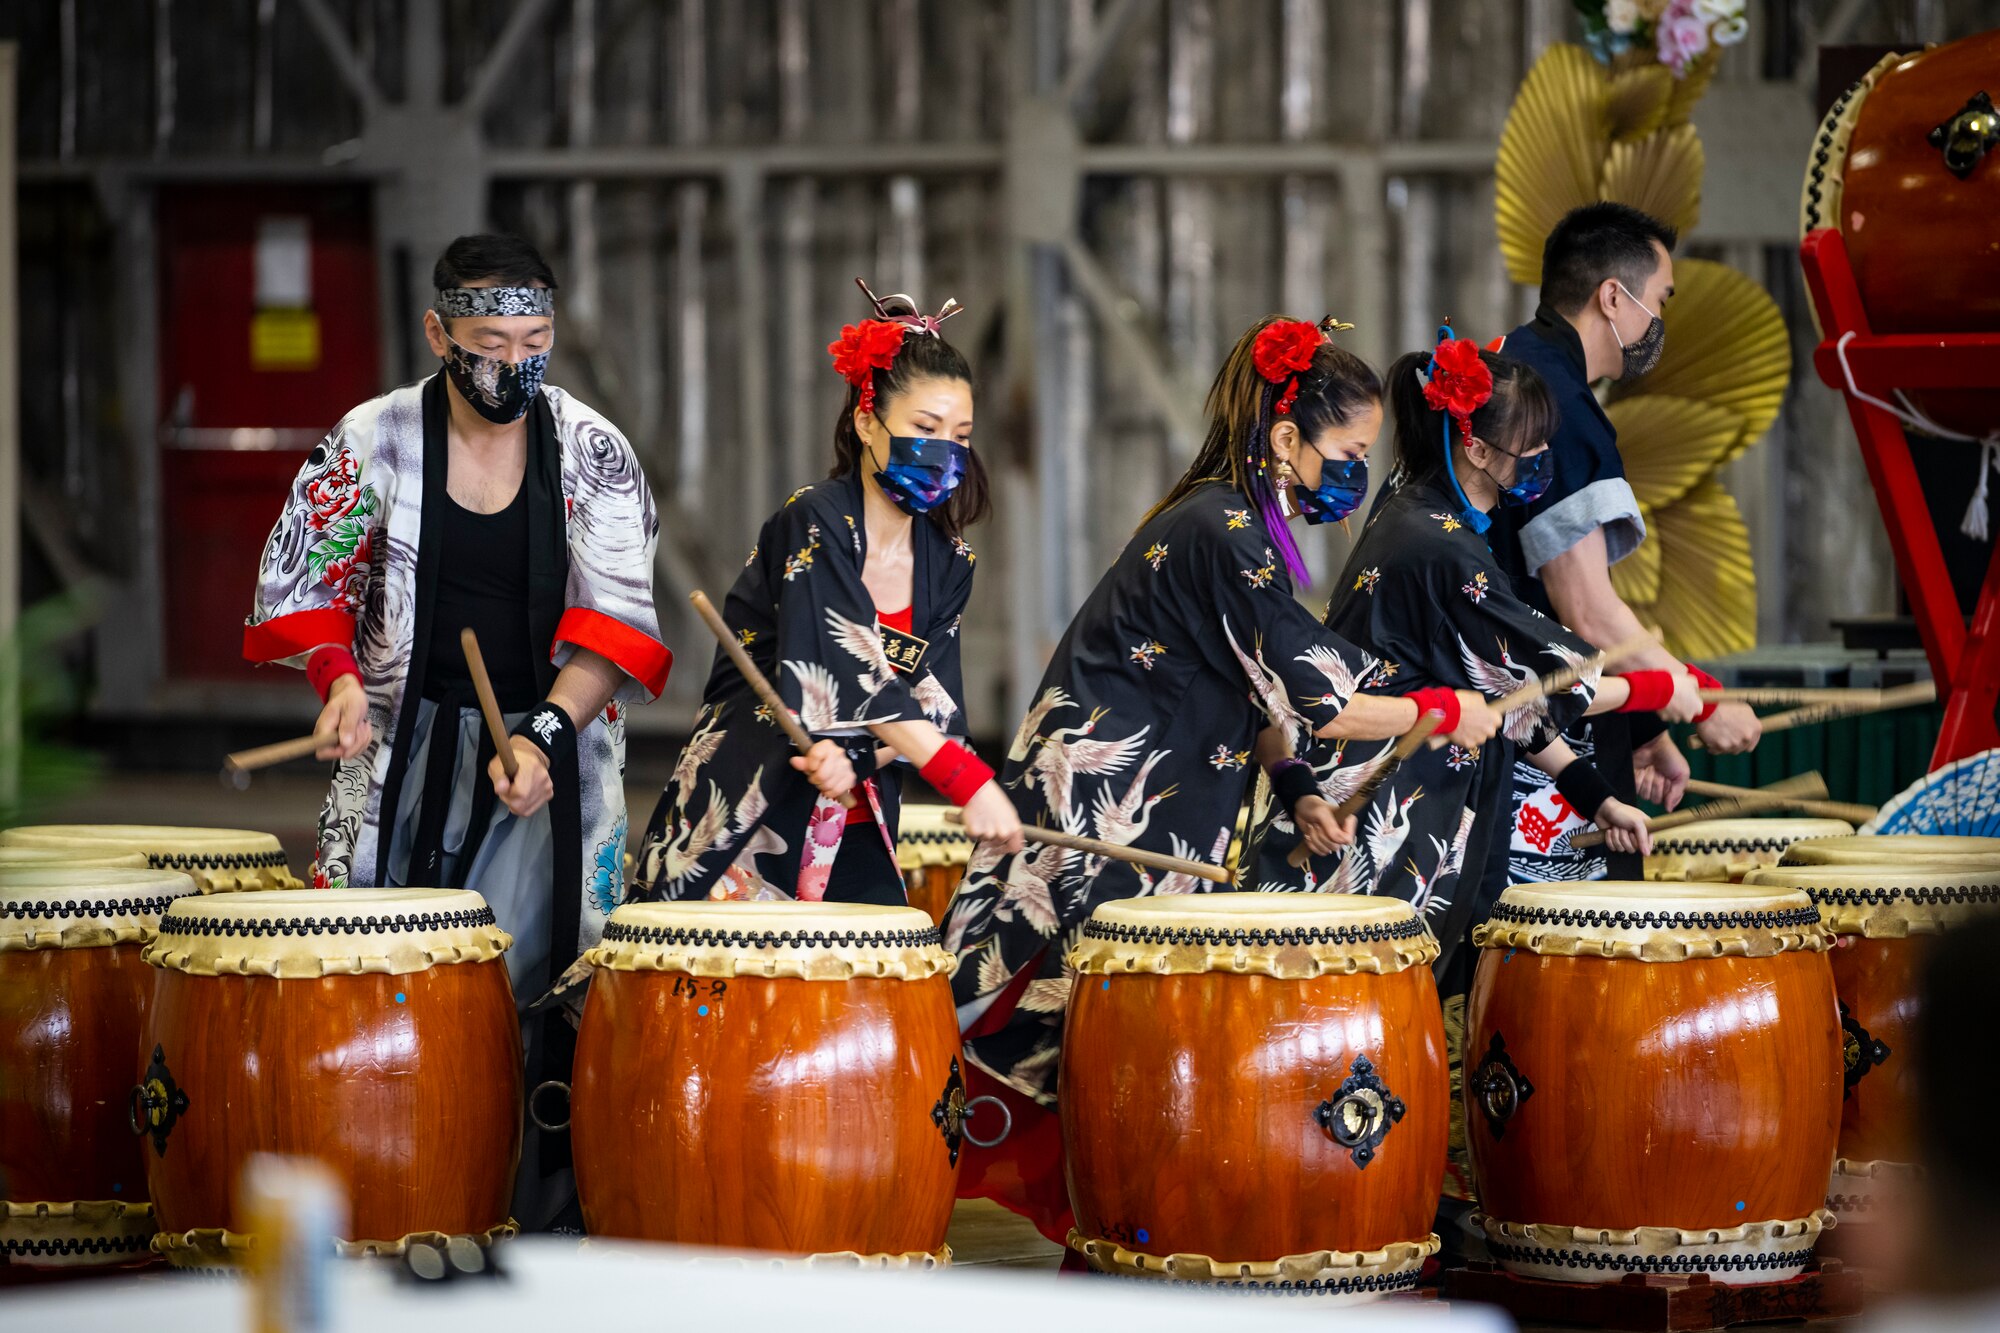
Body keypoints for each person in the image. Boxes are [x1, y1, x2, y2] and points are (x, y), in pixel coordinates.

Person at [943, 315, 1504, 1245]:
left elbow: (1262, 691)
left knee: (1108, 1016)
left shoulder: (1249, 525)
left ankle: (1110, 1218)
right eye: (1349, 450)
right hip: (1102, 796)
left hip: (1163, 799)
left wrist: (1296, 789)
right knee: (1020, 993)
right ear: (1287, 438)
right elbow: (1319, 692)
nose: (1357, 469)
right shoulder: (1223, 526)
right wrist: (1442, 710)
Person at [243, 233, 668, 1229]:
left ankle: (541, 1222)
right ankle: (388, 1199)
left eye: (534, 339)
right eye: (488, 339)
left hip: (546, 741)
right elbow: (311, 575)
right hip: (400, 735)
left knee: (540, 977)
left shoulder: (592, 448)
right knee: (373, 972)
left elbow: (614, 619)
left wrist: (546, 737)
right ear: (438, 332)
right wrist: (339, 680)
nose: (513, 361)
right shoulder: (372, 437)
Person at [1244, 331, 1692, 1224]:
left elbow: (1510, 707)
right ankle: (1347, 1204)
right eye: (1530, 453)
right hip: (1381, 816)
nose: (1539, 467)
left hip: (1437, 812)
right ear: (1478, 448)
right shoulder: (1436, 545)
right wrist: (1673, 689)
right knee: (1356, 1019)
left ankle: (1403, 1194)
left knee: (1402, 1011)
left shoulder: (1438, 522)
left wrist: (1593, 795)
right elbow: (1555, 674)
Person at [632, 282, 1021, 904]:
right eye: (926, 427)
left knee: (882, 983)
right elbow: (845, 665)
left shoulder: (949, 562)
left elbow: (935, 704)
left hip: (859, 815)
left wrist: (859, 760)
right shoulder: (815, 520)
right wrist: (970, 783)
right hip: (748, 802)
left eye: (962, 435)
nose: (946, 451)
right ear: (868, 422)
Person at [1488, 202, 1760, 884]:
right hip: (1514, 715)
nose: (1656, 322)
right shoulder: (1561, 407)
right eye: (1659, 300)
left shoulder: (1515, 362)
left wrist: (1648, 729)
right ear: (1614, 296)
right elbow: (1584, 608)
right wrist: (1702, 698)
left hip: (1506, 693)